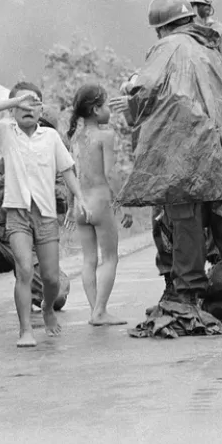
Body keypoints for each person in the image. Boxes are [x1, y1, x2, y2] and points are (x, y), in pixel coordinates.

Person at [111, 0, 222, 337]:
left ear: (161, 28)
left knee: (185, 220)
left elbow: (145, 87)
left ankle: (185, 301)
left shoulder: (169, 46)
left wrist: (129, 83)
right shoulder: (209, 49)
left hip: (187, 151)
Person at [0, 82, 91, 347]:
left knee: (50, 279)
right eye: (22, 103)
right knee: (24, 269)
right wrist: (14, 102)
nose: (28, 107)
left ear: (41, 109)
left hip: (46, 214)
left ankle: (47, 309)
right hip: (17, 215)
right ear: (13, 110)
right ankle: (25, 329)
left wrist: (79, 200)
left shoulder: (51, 138)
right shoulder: (6, 133)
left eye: (34, 102)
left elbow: (67, 171)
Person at [0, 113, 72, 321]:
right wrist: (13, 174)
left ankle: (30, 289)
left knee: (57, 297)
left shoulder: (53, 165)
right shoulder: (4, 161)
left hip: (33, 246)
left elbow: (62, 201)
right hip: (2, 240)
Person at [67, 84, 131, 326]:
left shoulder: (74, 137)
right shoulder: (106, 136)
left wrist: (72, 203)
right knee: (110, 258)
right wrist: (123, 205)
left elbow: (71, 171)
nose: (108, 111)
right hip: (101, 202)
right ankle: (101, 311)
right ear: (95, 109)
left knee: (88, 260)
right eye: (105, 105)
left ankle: (95, 309)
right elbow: (110, 173)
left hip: (81, 206)